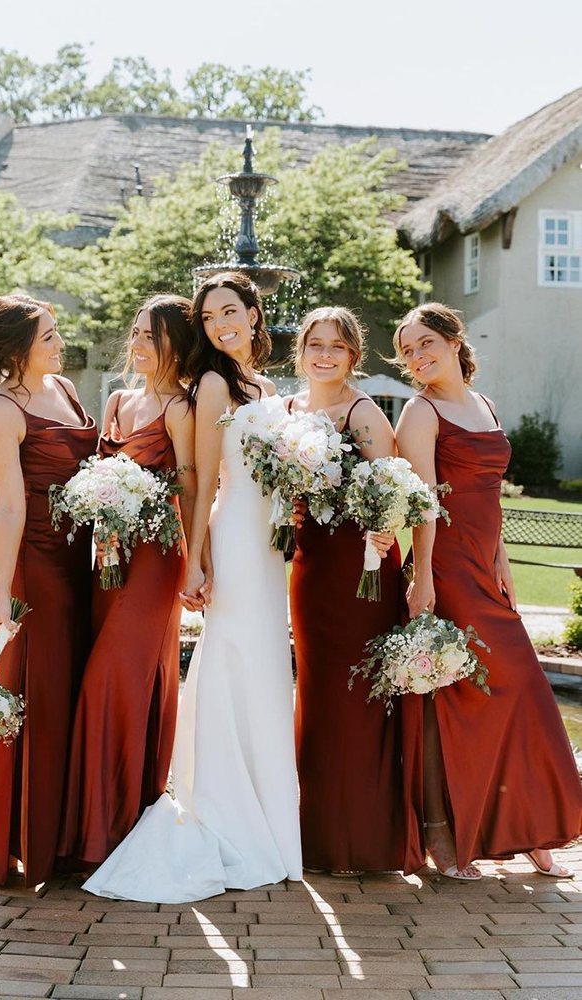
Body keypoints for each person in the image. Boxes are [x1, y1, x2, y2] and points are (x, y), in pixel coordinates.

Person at [83, 273, 302, 902]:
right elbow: (202, 480)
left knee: (264, 666)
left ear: (255, 315)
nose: (220, 325)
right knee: (233, 655)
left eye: (230, 312)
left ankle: (269, 810)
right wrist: (197, 559)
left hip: (266, 540)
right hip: (231, 534)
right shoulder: (210, 384)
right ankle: (223, 802)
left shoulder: (262, 385)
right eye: (208, 318)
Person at [394, 302, 582, 880]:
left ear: (454, 340)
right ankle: (444, 835)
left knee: (522, 692)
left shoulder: (485, 404)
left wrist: (501, 561)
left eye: (426, 343)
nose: (418, 357)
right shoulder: (419, 414)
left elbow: (491, 496)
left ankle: (526, 826)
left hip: (483, 563)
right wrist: (423, 578)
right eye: (407, 351)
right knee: (453, 698)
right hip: (445, 565)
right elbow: (423, 505)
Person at [0, 295, 97, 887]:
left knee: (68, 690)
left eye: (58, 333)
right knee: (41, 694)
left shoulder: (64, 390)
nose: (60, 345)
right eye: (48, 338)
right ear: (16, 350)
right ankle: (20, 833)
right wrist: (2, 597)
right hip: (38, 565)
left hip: (84, 559)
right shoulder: (3, 410)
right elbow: (8, 506)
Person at [58, 295, 195, 867]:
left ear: (175, 345)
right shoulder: (115, 400)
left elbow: (188, 486)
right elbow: (96, 471)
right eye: (135, 333)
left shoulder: (184, 408)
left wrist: (197, 562)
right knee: (114, 674)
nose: (137, 345)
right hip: (108, 557)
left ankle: (109, 824)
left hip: (156, 557)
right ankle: (101, 818)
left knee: (112, 676)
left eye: (151, 337)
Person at [287, 306, 406, 876]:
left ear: (353, 354)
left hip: (363, 568)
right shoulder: (288, 411)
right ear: (301, 350)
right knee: (317, 692)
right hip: (311, 569)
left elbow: (394, 486)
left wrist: (384, 525)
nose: (325, 354)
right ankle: (313, 836)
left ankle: (361, 840)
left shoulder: (362, 412)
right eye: (315, 343)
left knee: (359, 696)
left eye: (337, 345)